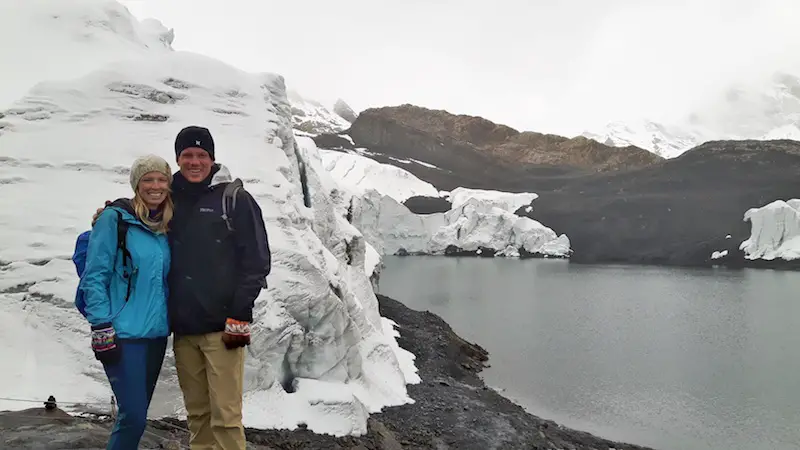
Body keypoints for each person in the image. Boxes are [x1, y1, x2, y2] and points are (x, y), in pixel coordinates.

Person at [93, 126, 271, 450]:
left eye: (201, 155)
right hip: (184, 331)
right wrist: (112, 210)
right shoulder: (170, 196)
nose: (194, 162)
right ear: (178, 158)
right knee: (198, 416)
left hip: (223, 329)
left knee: (226, 418)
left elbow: (257, 262)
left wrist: (240, 315)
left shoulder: (234, 199)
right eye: (187, 155)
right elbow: (141, 207)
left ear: (212, 159)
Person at [78, 154, 174, 450]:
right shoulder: (115, 219)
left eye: (161, 179)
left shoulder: (168, 224)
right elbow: (95, 275)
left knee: (136, 415)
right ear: (136, 184)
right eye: (148, 179)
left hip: (156, 334)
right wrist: (101, 325)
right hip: (122, 333)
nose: (155, 186)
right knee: (133, 415)